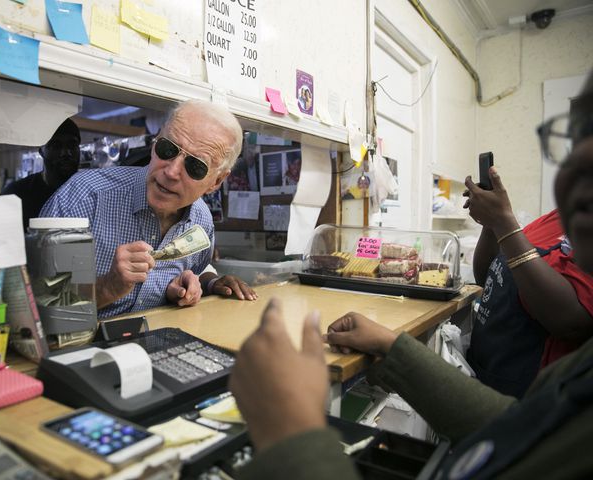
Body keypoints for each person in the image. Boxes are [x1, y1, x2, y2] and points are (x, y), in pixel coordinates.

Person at [229, 73, 593, 479]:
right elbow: (518, 428)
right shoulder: (577, 374)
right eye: (580, 133)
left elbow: (570, 318)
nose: (582, 160)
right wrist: (392, 345)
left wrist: (289, 432)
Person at [41, 100, 257, 319]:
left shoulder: (201, 220)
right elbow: (43, 310)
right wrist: (108, 287)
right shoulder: (82, 197)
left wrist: (202, 284)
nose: (172, 172)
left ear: (216, 181)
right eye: (167, 149)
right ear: (155, 143)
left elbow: (197, 269)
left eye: (195, 166)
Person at [462, 160, 593, 398]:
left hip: (531, 394)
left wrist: (503, 222)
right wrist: (492, 223)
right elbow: (489, 277)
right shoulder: (557, 218)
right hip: (488, 375)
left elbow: (570, 323)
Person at [2, 118, 82, 228]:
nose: (66, 153)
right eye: (56, 146)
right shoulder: (17, 194)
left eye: (72, 145)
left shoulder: (90, 193)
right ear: (41, 152)